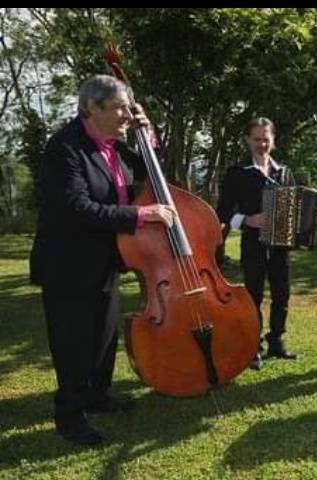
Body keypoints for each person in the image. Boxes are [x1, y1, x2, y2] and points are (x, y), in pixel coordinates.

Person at [29, 75, 176, 446]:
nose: (128, 114)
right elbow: (79, 208)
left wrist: (149, 137)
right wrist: (141, 217)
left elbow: (148, 175)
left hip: (107, 260)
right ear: (93, 108)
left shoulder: (117, 146)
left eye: (128, 107)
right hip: (68, 264)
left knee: (104, 336)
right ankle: (70, 416)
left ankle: (97, 395)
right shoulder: (64, 148)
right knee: (73, 342)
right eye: (120, 108)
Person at [216, 117, 317, 370]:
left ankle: (276, 340)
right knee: (253, 294)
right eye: (257, 139)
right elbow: (222, 212)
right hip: (253, 243)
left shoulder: (284, 172)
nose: (262, 144)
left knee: (281, 293)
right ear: (248, 140)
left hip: (281, 245)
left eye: (266, 139)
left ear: (273, 141)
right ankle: (252, 346)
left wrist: (314, 220)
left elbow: (296, 210)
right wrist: (247, 220)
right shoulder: (237, 173)